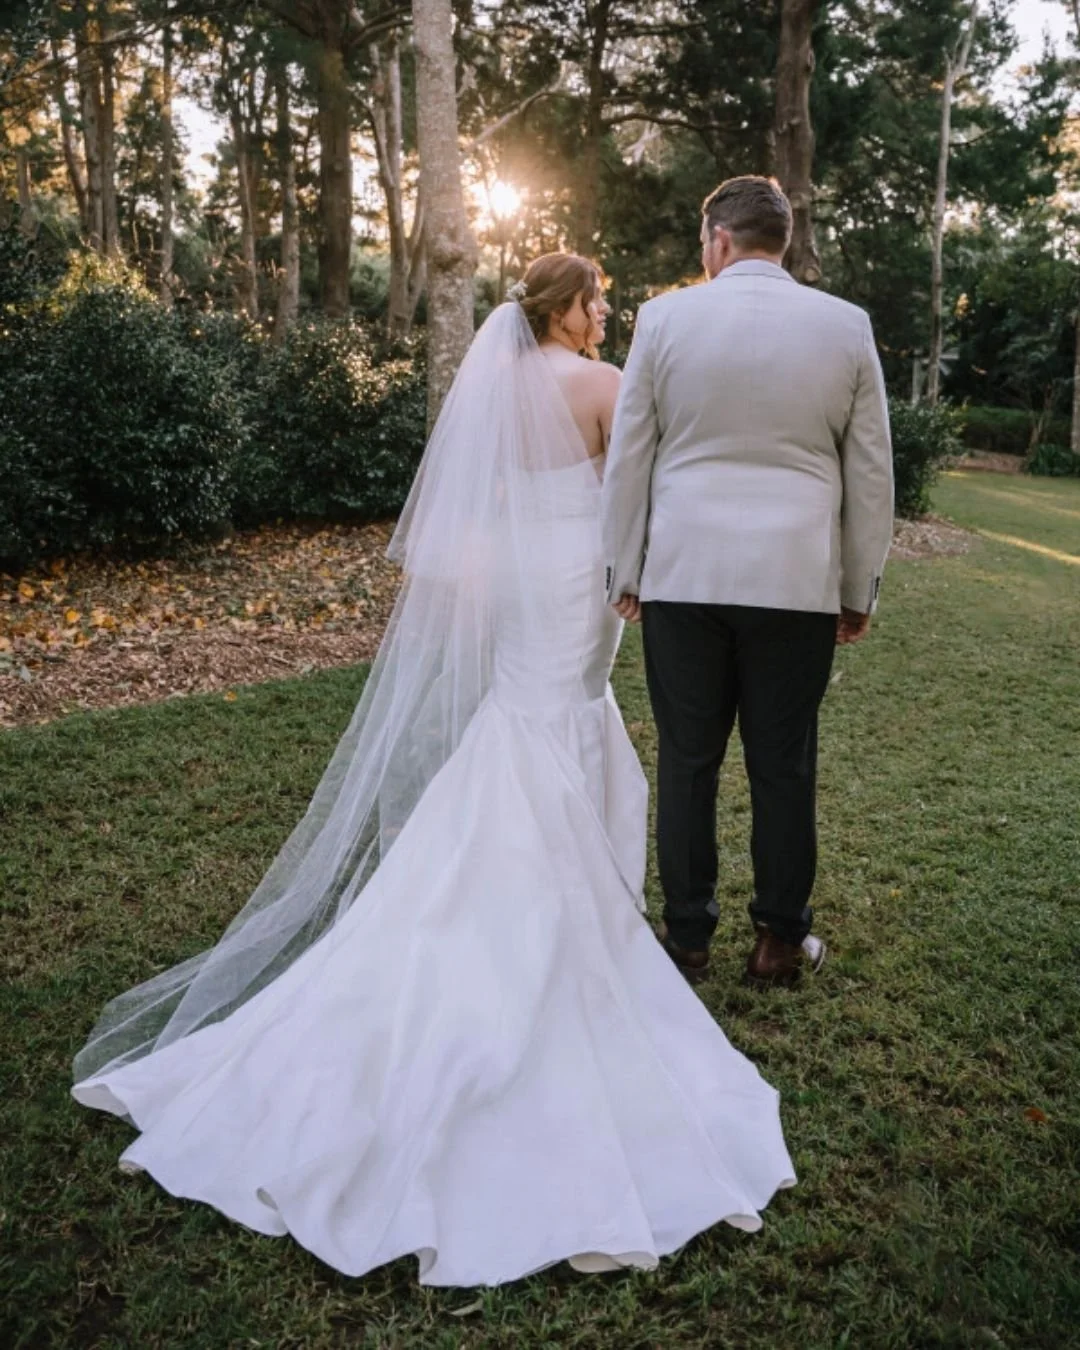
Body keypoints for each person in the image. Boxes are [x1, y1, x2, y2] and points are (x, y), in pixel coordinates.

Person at [71, 253, 795, 1288]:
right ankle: (554, 918)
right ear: (566, 309)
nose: (609, 314)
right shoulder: (605, 383)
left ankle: (496, 893)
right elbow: (641, 489)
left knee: (525, 713)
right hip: (579, 582)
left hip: (519, 583)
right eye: (598, 301)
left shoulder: (494, 384)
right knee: (568, 709)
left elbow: (473, 515)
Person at [601, 176, 894, 991]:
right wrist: (856, 588)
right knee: (784, 764)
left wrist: (625, 569)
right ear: (783, 241)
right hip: (796, 583)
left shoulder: (663, 318)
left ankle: (686, 939)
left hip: (685, 579)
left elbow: (632, 457)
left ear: (718, 240)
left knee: (688, 762)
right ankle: (777, 943)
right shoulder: (846, 326)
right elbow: (870, 472)